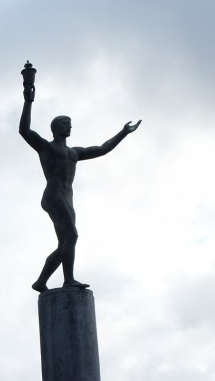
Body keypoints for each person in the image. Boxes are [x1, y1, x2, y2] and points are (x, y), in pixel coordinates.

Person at [19, 61, 141, 292]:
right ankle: (68, 280)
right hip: (53, 196)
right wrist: (28, 101)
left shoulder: (74, 153)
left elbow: (102, 149)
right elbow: (24, 131)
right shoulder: (47, 148)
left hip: (67, 198)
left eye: (70, 124)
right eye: (66, 124)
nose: (70, 127)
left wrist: (123, 133)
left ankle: (41, 281)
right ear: (56, 127)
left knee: (66, 242)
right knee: (72, 236)